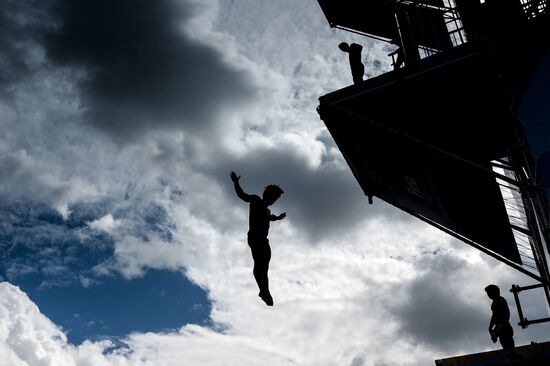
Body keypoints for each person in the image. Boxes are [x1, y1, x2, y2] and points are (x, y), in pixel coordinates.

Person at [230, 171, 286, 306]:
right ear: (268, 195)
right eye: (275, 197)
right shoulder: (256, 200)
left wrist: (277, 217)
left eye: (276, 199)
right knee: (259, 263)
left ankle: (264, 290)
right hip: (255, 237)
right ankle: (263, 290)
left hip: (263, 239)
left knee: (264, 265)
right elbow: (242, 195)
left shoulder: (267, 211)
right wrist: (236, 183)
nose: (275, 200)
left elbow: (270, 217)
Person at [485, 284, 515, 349]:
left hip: (504, 325)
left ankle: (511, 352)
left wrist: (491, 327)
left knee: (506, 340)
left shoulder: (499, 300)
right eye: (488, 293)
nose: (489, 295)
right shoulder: (495, 302)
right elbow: (495, 316)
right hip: (501, 325)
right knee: (503, 340)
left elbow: (495, 316)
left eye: (489, 293)